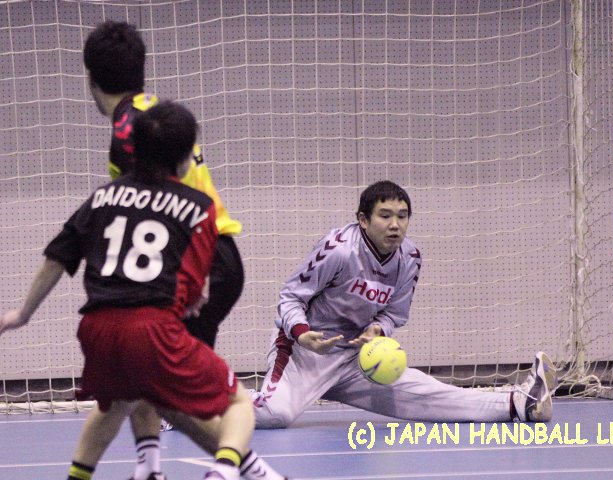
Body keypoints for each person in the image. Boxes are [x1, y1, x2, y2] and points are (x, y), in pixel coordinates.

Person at [0, 102, 285, 480]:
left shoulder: (102, 197)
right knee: (238, 401)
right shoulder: (198, 207)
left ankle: (120, 472)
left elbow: (56, 258)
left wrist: (21, 314)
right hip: (150, 329)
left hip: (95, 331)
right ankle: (225, 471)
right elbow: (194, 287)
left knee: (119, 401)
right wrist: (188, 304)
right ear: (185, 159)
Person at [252, 180, 557, 428]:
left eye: (402, 216)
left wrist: (377, 329)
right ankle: (223, 398)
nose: (395, 225)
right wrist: (302, 334)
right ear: (363, 220)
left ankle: (521, 403)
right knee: (274, 414)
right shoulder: (339, 250)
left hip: (356, 360)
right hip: (305, 355)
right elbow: (290, 297)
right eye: (385, 216)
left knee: (431, 395)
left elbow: (394, 314)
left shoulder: (409, 258)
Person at [82, 20, 245, 479]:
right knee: (143, 369)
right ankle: (150, 467)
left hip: (201, 259)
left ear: (90, 78)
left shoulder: (128, 135)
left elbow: (153, 213)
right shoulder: (154, 112)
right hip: (208, 255)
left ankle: (248, 469)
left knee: (172, 388)